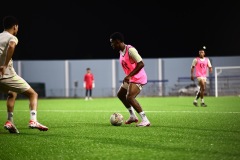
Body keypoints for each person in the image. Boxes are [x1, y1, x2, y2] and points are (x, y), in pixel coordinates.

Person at [0, 15, 48, 133]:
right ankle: (33, 120)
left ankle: (10, 121)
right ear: (15, 26)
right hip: (6, 75)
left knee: (12, 93)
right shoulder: (12, 37)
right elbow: (11, 45)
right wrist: (5, 64)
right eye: (17, 27)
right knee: (33, 94)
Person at [110, 32, 150, 127]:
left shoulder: (130, 50)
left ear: (118, 41)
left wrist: (129, 76)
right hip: (131, 78)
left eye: (112, 42)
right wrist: (128, 76)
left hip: (139, 77)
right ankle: (132, 116)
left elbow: (141, 63)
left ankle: (145, 120)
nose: (111, 45)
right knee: (120, 94)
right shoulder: (121, 52)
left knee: (130, 97)